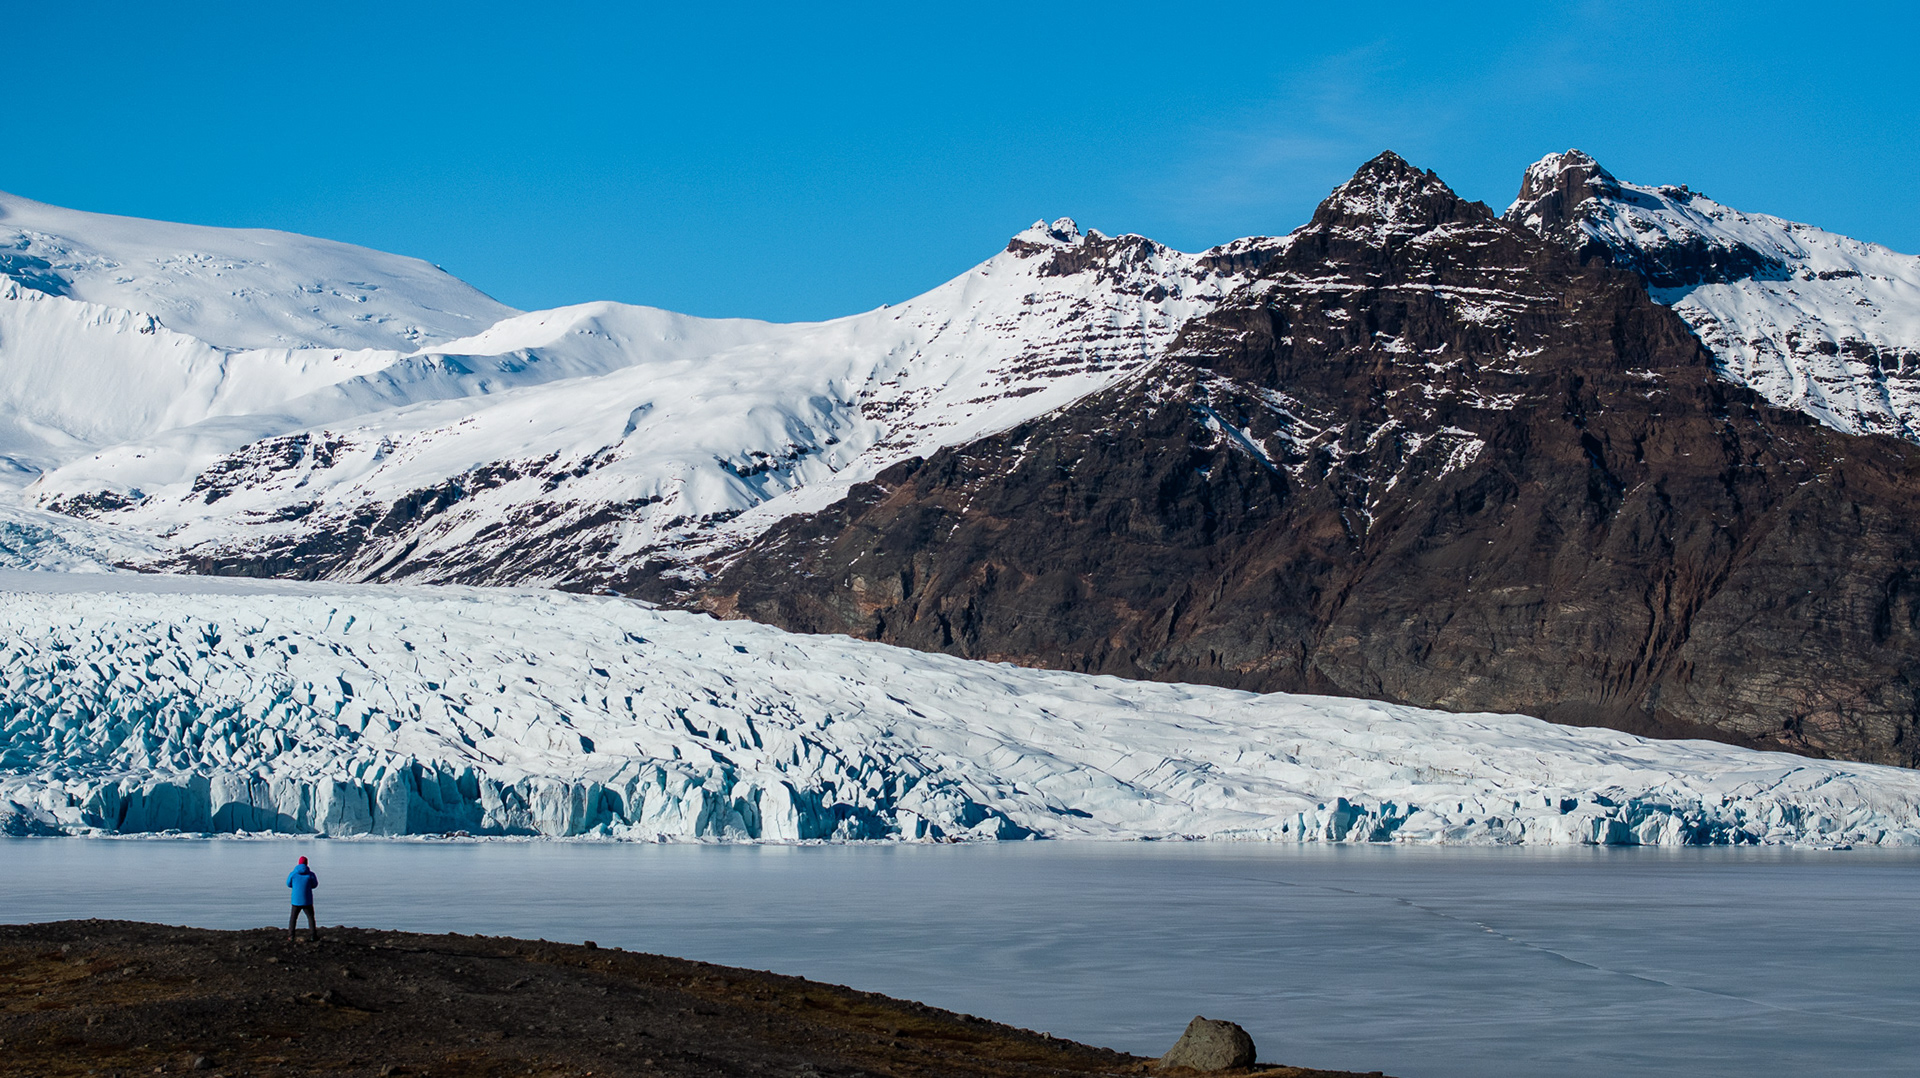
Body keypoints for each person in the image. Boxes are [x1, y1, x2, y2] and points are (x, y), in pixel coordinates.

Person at [286, 855, 319, 942]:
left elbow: (288, 884)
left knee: (293, 918)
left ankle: (291, 936)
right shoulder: (311, 874)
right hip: (307, 900)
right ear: (306, 863)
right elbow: (315, 885)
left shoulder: (293, 874)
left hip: (296, 900)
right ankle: (313, 936)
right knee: (311, 918)